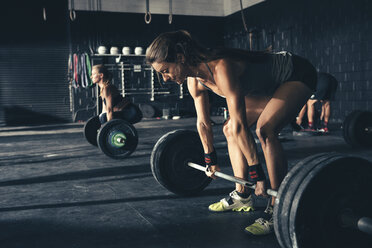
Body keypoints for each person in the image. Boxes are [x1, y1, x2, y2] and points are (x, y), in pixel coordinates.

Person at [146, 30, 317, 236]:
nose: (164, 78)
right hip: (266, 86)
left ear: (180, 59)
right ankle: (242, 195)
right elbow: (202, 123)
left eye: (165, 70)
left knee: (265, 130)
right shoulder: (194, 80)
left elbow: (240, 125)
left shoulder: (221, 68)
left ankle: (276, 206)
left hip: (296, 74)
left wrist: (257, 175)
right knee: (227, 129)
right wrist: (210, 159)